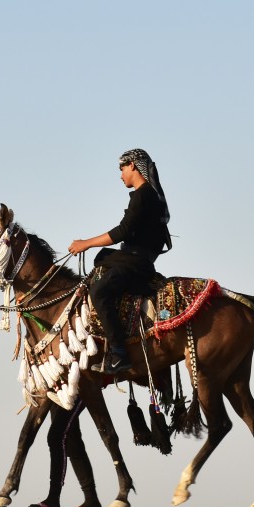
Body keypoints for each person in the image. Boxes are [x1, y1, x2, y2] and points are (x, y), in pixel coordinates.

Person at [68, 148, 172, 373]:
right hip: (134, 259)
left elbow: (123, 231)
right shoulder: (144, 195)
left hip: (135, 262)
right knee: (101, 263)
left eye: (122, 168)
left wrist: (85, 243)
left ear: (133, 165)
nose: (121, 174)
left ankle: (119, 352)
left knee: (98, 292)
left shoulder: (144, 194)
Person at [28, 400, 101, 507]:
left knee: (56, 436)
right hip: (56, 390)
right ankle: (91, 499)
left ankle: (53, 498)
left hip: (77, 387)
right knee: (72, 439)